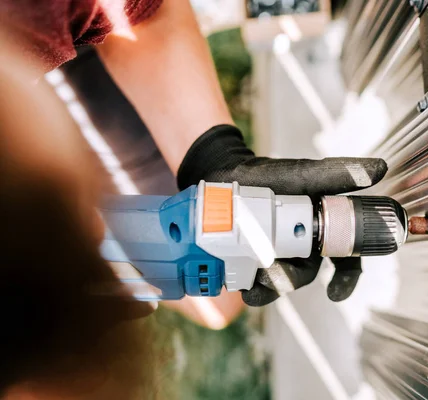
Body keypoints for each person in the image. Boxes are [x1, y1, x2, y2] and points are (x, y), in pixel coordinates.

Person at [0, 0, 387, 326]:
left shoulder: (24, 13)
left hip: (36, 65)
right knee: (215, 301)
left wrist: (211, 151)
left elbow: (139, 13)